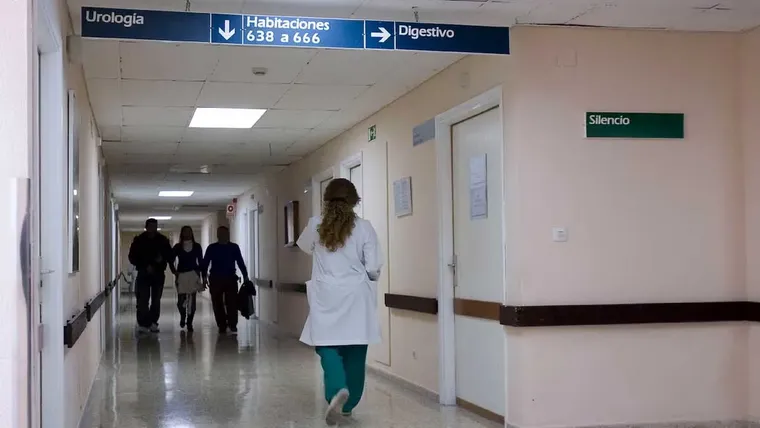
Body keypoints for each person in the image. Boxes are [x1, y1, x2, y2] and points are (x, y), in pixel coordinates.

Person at [296, 178, 383, 426]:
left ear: (326, 201)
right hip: (356, 296)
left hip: (326, 295)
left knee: (326, 346)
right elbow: (373, 267)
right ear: (354, 201)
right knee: (355, 350)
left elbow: (304, 247)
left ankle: (336, 389)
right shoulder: (364, 227)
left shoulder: (316, 225)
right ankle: (348, 404)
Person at [128, 218, 174, 334]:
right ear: (146, 227)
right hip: (143, 273)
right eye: (150, 226)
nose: (153, 229)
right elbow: (132, 257)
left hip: (158, 274)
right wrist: (144, 265)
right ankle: (143, 323)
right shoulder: (139, 240)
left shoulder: (163, 240)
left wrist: (161, 260)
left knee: (156, 300)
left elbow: (170, 256)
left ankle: (153, 322)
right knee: (142, 300)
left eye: (155, 226)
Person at [203, 226, 248, 335]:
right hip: (215, 279)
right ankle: (222, 325)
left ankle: (232, 324)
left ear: (228, 234)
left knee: (232, 302)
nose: (222, 235)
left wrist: (245, 276)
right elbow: (205, 263)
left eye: (224, 233)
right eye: (220, 233)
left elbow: (240, 262)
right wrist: (204, 277)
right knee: (217, 303)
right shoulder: (212, 248)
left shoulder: (234, 247)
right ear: (217, 235)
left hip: (230, 278)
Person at [171, 226, 206, 332]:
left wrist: (203, 277)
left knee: (192, 301)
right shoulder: (178, 247)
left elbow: (201, 262)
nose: (188, 233)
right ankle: (183, 315)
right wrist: (174, 272)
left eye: (189, 231)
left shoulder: (197, 246)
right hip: (181, 275)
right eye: (185, 231)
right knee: (180, 302)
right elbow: (170, 260)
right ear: (182, 233)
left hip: (193, 275)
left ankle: (189, 322)